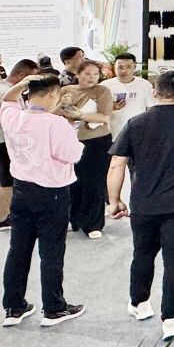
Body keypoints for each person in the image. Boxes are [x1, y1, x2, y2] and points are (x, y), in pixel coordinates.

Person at [107, 71, 174, 341]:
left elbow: (117, 164)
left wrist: (114, 200)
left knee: (142, 253)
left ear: (155, 92)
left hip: (143, 203)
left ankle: (139, 302)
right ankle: (171, 318)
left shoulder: (135, 123)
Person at [0, 74, 85, 327]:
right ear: (52, 94)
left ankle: (14, 307)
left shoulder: (13, 117)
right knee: (51, 251)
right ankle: (54, 308)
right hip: (52, 192)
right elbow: (72, 155)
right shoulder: (55, 123)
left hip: (21, 190)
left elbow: (7, 99)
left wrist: (22, 84)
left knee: (18, 250)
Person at [58, 60, 113, 238]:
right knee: (72, 182)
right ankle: (73, 219)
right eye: (87, 73)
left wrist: (80, 114)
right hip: (71, 140)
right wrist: (63, 106)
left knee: (94, 183)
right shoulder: (66, 90)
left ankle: (93, 224)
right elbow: (56, 114)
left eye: (96, 74)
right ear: (78, 74)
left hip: (96, 141)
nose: (92, 78)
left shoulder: (102, 91)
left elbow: (105, 116)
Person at [0, 58, 40, 230]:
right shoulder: (5, 92)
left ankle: (6, 216)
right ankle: (3, 218)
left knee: (10, 180)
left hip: (4, 140)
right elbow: (18, 120)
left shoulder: (5, 89)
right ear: (22, 75)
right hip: (5, 141)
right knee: (7, 182)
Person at [101, 53, 154, 139]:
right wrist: (112, 107)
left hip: (139, 133)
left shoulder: (144, 85)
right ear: (114, 67)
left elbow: (151, 109)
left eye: (128, 67)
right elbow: (97, 110)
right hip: (113, 134)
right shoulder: (105, 86)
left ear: (134, 67)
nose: (124, 71)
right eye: (120, 67)